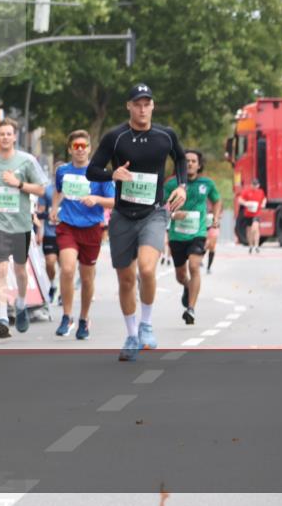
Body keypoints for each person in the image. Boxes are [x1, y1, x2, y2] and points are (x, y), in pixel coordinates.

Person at [86, 83, 186, 361]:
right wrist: (112, 175)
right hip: (122, 216)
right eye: (137, 104)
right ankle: (131, 335)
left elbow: (180, 158)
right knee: (126, 279)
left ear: (153, 106)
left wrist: (182, 187)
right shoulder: (115, 137)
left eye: (147, 103)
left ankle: (146, 324)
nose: (142, 108)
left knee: (147, 269)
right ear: (129, 106)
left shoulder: (165, 135)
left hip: (153, 213)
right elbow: (93, 171)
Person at [0, 118, 48, 337]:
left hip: (21, 224)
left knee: (19, 270)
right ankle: (2, 317)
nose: (5, 137)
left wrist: (18, 184)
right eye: (2, 134)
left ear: (14, 136)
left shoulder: (26, 161)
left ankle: (20, 303)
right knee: (0, 269)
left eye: (9, 133)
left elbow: (40, 190)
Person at [51, 130, 116, 339]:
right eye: (76, 146)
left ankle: (84, 318)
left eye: (84, 146)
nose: (80, 150)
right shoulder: (62, 171)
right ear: (70, 149)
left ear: (90, 149)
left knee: (87, 279)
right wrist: (54, 208)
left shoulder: (100, 173)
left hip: (91, 228)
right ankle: (66, 316)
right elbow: (58, 191)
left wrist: (96, 199)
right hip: (68, 225)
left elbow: (114, 201)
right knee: (68, 269)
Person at [164, 150, 221, 325]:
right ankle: (188, 287)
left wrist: (216, 217)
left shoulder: (207, 183)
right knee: (181, 275)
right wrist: (173, 215)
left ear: (199, 164)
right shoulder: (171, 184)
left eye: (193, 161)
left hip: (198, 232)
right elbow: (161, 206)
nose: (189, 163)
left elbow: (217, 200)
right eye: (186, 160)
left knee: (194, 266)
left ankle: (191, 309)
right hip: (177, 235)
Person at [35, 183, 59, 302]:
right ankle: (53, 284)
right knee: (50, 262)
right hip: (50, 234)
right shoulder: (47, 190)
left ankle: (63, 293)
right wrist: (39, 233)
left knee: (67, 267)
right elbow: (40, 212)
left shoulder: (73, 189)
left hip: (68, 232)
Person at [238, 178, 267, 253]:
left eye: (256, 185)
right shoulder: (247, 192)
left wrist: (263, 203)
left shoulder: (261, 192)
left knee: (255, 227)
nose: (255, 186)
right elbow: (240, 199)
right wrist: (245, 203)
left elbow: (264, 199)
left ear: (258, 185)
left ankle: (257, 245)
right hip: (248, 213)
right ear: (251, 185)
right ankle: (251, 245)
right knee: (249, 230)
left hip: (257, 213)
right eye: (253, 184)